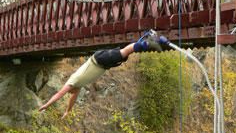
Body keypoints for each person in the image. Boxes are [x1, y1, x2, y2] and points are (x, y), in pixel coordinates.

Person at [38, 31, 168, 118]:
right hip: (101, 62)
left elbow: (59, 94)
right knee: (124, 53)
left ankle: (147, 40)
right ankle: (147, 39)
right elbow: (72, 100)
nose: (71, 94)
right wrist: (68, 111)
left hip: (99, 60)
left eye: (70, 92)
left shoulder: (72, 83)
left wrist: (46, 105)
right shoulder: (77, 87)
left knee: (124, 52)